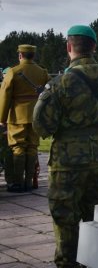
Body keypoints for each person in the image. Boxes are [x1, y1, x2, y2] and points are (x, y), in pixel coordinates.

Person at [32, 24, 98, 267]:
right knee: (97, 213)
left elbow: (41, 126)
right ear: (94, 48)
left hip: (67, 161)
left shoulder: (60, 83)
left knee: (64, 216)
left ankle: (68, 263)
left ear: (69, 47)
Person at [0, 44, 50, 192]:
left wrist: (2, 118)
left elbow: (5, 96)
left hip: (17, 115)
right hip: (36, 116)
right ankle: (29, 182)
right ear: (33, 56)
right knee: (32, 147)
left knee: (18, 148)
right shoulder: (43, 72)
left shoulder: (13, 72)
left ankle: (17, 182)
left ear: (20, 55)